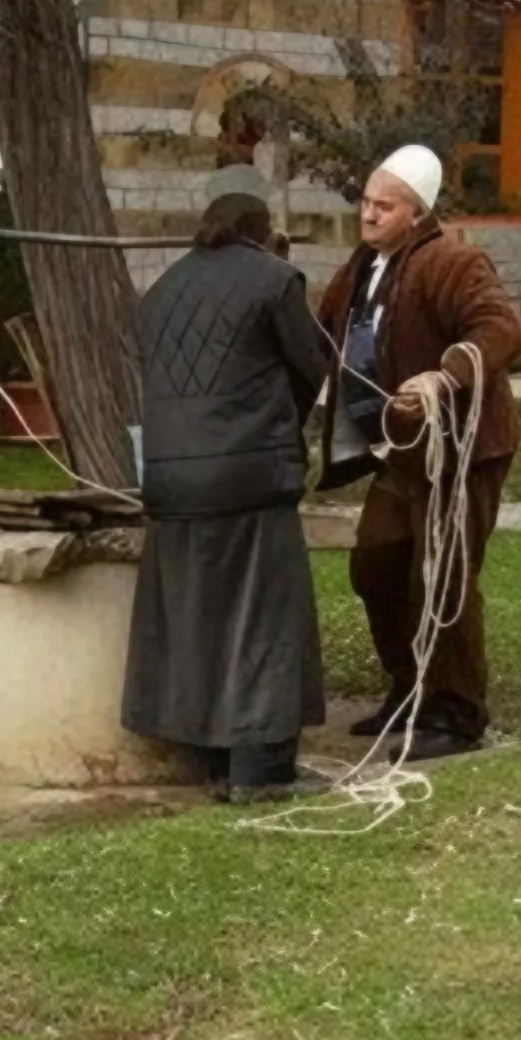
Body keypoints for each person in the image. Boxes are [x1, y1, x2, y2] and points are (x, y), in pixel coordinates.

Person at [121, 174, 333, 803]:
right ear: (265, 233)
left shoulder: (159, 293)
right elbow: (315, 367)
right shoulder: (275, 281)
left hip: (170, 478)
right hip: (247, 477)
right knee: (264, 621)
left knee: (196, 620)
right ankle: (261, 771)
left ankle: (208, 761)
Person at [316, 145, 521, 761]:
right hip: (400, 452)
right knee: (376, 569)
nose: (370, 214)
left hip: (462, 450)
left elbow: (500, 328)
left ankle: (456, 713)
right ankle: (409, 690)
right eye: (367, 202)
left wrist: (443, 377)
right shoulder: (360, 267)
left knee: (443, 576)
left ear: (417, 213)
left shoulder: (454, 263)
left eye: (386, 206)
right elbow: (321, 335)